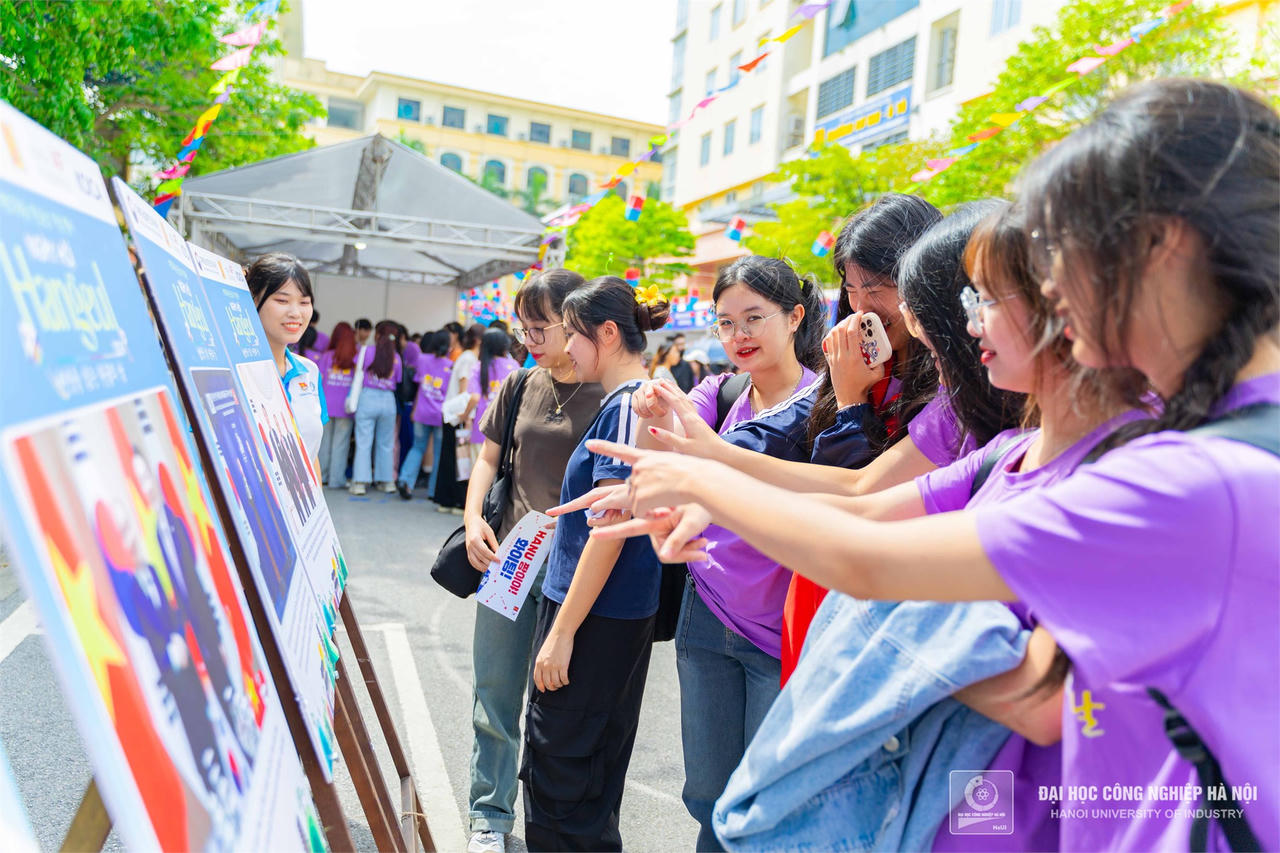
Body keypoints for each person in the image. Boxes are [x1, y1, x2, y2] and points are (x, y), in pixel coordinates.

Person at [594, 79, 1280, 851]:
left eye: (1067, 258)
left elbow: (877, 564)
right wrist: (710, 480)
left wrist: (699, 479)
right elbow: (858, 512)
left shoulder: (1197, 476)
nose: (1054, 291)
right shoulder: (1131, 448)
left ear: (1163, 246)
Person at [630, 256, 827, 851]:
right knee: (709, 792)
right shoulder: (719, 391)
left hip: (787, 625)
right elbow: (660, 472)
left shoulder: (828, 404)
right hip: (708, 615)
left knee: (768, 793)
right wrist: (653, 418)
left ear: (794, 317)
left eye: (753, 318)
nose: (738, 336)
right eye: (725, 322)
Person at [520, 276, 669, 851]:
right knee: (593, 772)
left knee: (563, 770)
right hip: (619, 613)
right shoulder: (642, 399)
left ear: (607, 334)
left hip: (593, 614)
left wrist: (560, 634)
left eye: (573, 336)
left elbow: (607, 536)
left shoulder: (626, 406)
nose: (567, 349)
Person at [461, 270, 603, 853]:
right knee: (495, 692)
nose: (530, 340)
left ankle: (551, 819)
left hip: (576, 568)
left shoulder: (610, 392)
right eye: (524, 329)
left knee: (559, 705)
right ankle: (489, 816)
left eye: (541, 327)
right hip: (509, 562)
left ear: (578, 324)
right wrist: (474, 519)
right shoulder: (520, 383)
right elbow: (488, 460)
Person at [246, 253, 326, 471]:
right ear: (253, 300)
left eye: (304, 302)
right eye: (282, 300)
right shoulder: (231, 373)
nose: (295, 313)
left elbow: (312, 454)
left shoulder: (309, 371)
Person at [396, 329, 453, 500]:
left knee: (417, 447)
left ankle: (405, 481)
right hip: (440, 415)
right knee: (438, 452)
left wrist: (414, 410)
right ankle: (433, 491)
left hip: (421, 411)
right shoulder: (450, 365)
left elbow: (419, 387)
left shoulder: (422, 359)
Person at [433, 323, 484, 512]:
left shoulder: (466, 356)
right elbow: (465, 390)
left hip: (455, 415)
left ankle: (446, 500)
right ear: (479, 340)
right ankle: (453, 500)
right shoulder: (469, 358)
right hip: (459, 416)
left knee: (452, 457)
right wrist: (468, 415)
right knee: (459, 459)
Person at [348, 319, 402, 496]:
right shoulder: (396, 358)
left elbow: (357, 369)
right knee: (386, 443)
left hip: (368, 397)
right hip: (388, 401)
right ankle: (387, 482)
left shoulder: (367, 351)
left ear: (377, 335)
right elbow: (399, 380)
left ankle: (360, 483)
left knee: (363, 442)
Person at [317, 321, 357, 488]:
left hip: (326, 404)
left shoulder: (327, 356)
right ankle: (336, 480)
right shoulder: (355, 356)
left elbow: (319, 379)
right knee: (341, 443)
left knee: (324, 442)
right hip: (345, 408)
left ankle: (322, 477)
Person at [466, 329, 519, 448]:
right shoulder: (513, 365)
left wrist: (464, 415)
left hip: (482, 427)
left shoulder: (478, 367)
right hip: (507, 429)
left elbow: (474, 398)